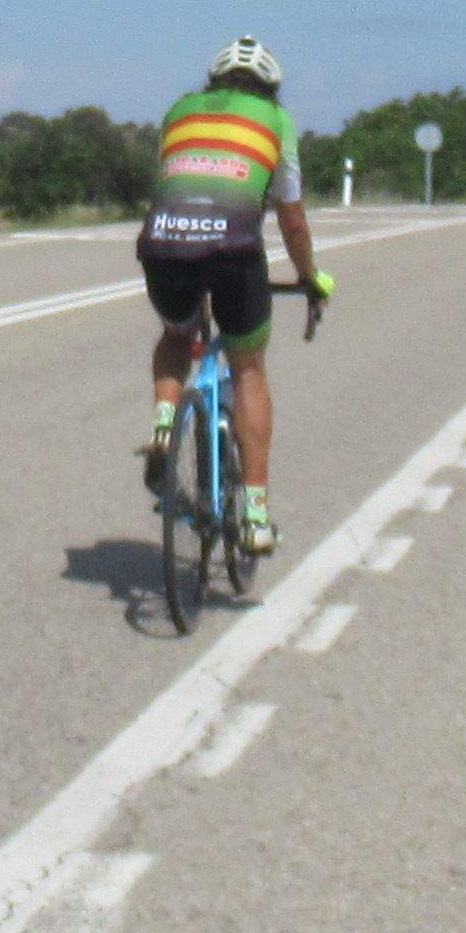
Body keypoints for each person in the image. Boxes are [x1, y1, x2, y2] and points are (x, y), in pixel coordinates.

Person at [137, 36, 327, 556]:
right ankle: (257, 517)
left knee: (178, 334)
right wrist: (310, 276)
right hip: (234, 251)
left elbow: (173, 181)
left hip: (165, 244)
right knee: (248, 369)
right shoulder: (275, 120)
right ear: (271, 88)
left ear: (213, 83)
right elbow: (291, 217)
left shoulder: (179, 112)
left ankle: (163, 425)